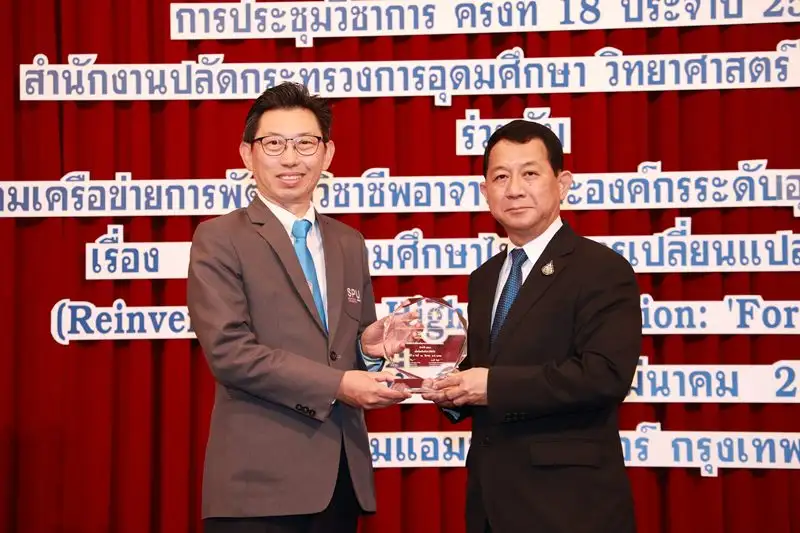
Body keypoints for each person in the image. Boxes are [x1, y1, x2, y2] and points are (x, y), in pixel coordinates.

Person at [187, 82, 411, 533]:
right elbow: (230, 353)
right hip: (258, 488)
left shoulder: (349, 242)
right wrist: (339, 384)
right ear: (247, 155)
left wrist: (368, 351)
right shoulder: (219, 238)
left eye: (306, 143)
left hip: (339, 480)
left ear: (327, 154)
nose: (291, 159)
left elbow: (347, 352)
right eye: (274, 144)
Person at [422, 119, 642, 533]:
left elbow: (605, 376)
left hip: (569, 508)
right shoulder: (484, 278)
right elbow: (488, 367)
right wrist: (448, 388)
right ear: (485, 192)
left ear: (563, 183)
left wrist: (491, 385)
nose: (514, 189)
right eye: (501, 177)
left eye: (530, 173)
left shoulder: (601, 269)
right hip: (491, 505)